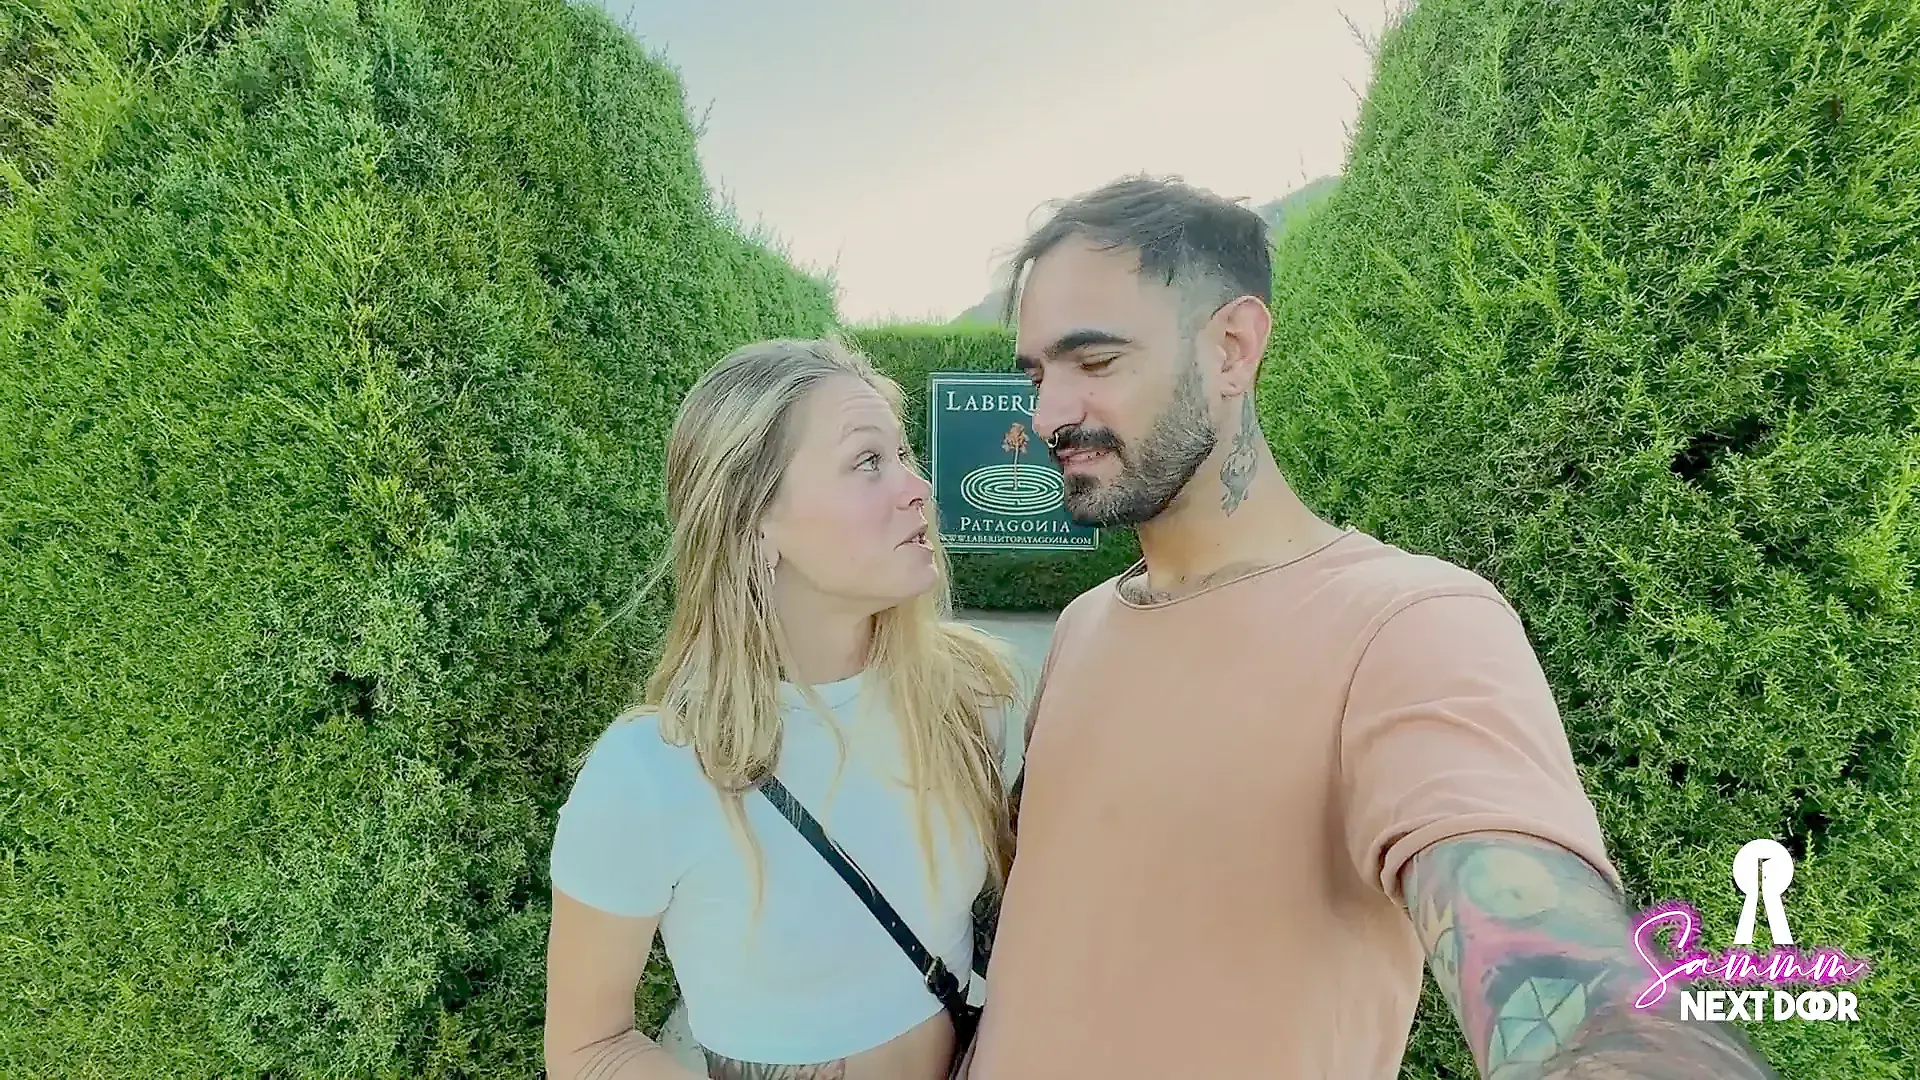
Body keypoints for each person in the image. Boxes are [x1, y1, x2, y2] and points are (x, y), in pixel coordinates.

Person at [963, 176, 1780, 1079]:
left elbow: (1567, 981)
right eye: (1036, 376)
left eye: (1095, 362)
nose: (1049, 415)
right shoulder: (1085, 625)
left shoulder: (1408, 626)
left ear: (1232, 349)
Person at [543, 337, 1025, 1080]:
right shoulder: (650, 774)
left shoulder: (968, 696)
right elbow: (586, 1047)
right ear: (756, 519)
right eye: (868, 462)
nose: (918, 488)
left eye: (904, 455)